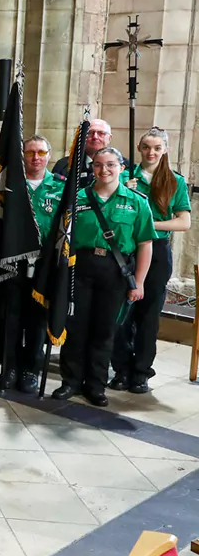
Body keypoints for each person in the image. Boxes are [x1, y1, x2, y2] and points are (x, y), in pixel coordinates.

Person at [53, 146, 155, 407]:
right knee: (75, 328)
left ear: (121, 168)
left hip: (115, 271)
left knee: (104, 330)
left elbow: (145, 243)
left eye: (110, 164)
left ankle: (96, 385)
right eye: (98, 165)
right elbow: (63, 235)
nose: (104, 170)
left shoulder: (136, 202)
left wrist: (139, 282)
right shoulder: (78, 198)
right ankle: (71, 381)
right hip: (81, 267)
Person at [110, 128, 191, 394]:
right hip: (126, 249)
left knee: (148, 315)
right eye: (146, 147)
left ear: (165, 149)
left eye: (157, 147)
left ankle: (141, 372)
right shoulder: (124, 176)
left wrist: (149, 224)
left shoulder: (174, 181)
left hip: (156, 250)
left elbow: (183, 221)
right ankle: (121, 369)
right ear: (139, 147)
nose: (151, 152)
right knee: (121, 312)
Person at [0, 135, 64, 395]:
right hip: (15, 263)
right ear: (22, 156)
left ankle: (30, 370)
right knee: (11, 317)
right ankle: (9, 367)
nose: (35, 158)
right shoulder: (12, 186)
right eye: (30, 153)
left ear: (49, 155)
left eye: (41, 152)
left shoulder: (60, 187)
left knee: (37, 320)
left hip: (45, 265)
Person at [53, 118, 129, 185]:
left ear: (109, 138)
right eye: (90, 133)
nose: (95, 137)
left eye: (101, 133)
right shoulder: (65, 165)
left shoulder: (127, 166)